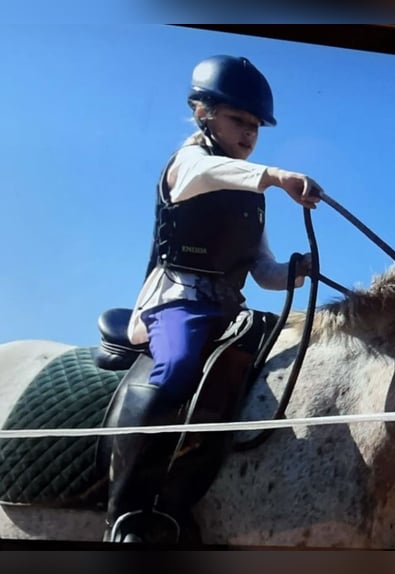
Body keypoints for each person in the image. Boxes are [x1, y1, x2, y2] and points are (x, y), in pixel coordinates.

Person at [104, 54, 322, 543]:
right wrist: (279, 175)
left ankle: (192, 493)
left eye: (255, 126)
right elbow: (211, 173)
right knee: (178, 366)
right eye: (238, 120)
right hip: (174, 303)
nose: (248, 133)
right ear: (204, 113)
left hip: (228, 309)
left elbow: (261, 271)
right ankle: (128, 510)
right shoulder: (189, 164)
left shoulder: (249, 194)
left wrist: (295, 271)